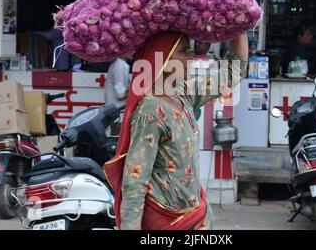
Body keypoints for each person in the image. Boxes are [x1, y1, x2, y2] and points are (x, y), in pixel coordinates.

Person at [104, 31, 248, 230]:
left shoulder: (181, 95)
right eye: (183, 52)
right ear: (161, 58)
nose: (190, 58)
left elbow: (233, 71)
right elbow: (135, 182)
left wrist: (239, 26)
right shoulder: (150, 110)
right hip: (167, 221)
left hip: (194, 217)